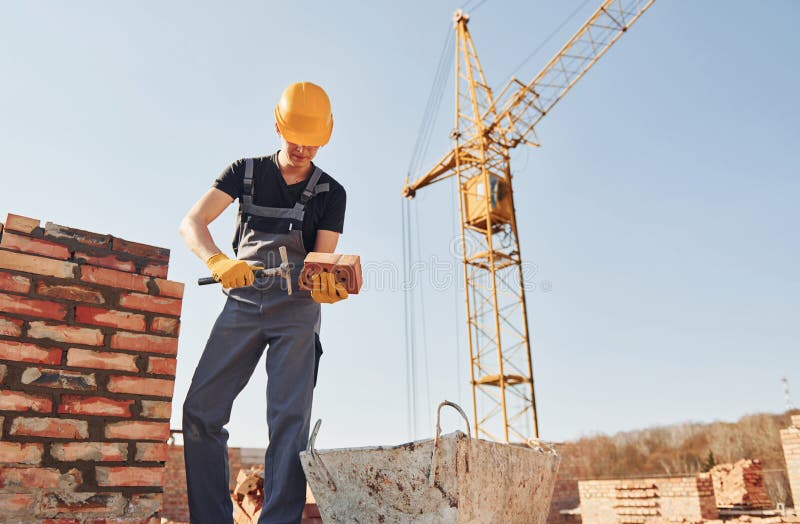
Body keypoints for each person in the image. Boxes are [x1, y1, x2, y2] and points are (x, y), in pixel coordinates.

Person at [179, 81, 348, 523]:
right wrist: (216, 260)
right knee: (200, 411)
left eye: (315, 141)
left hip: (296, 311)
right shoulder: (245, 171)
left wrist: (327, 285)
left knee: (289, 425)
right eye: (297, 138)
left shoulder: (331, 192)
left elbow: (321, 262)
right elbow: (192, 222)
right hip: (242, 301)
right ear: (278, 125)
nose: (305, 148)